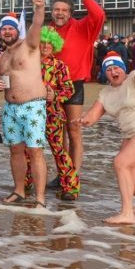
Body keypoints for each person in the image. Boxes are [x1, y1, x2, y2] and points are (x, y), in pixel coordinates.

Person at [78, 52, 135, 224]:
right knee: (131, 180)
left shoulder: (134, 78)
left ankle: (127, 213)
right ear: (104, 73)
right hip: (132, 135)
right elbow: (92, 117)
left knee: (121, 162)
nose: (114, 71)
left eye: (117, 67)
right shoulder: (105, 93)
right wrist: (82, 120)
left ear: (123, 69)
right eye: (109, 69)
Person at [0, 0, 49, 207]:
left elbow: (37, 24)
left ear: (17, 29)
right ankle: (19, 191)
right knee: (15, 150)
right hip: (10, 108)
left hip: (32, 106)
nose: (7, 31)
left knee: (35, 151)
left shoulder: (30, 45)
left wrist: (40, 8)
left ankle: (40, 198)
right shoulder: (2, 57)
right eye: (3, 29)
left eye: (10, 28)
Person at [50, 0, 106, 183]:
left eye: (64, 10)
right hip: (51, 88)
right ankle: (62, 173)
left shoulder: (84, 28)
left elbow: (98, 14)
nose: (60, 13)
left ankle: (73, 175)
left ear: (70, 13)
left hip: (74, 85)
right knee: (57, 134)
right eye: (57, 9)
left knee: (73, 131)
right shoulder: (47, 31)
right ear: (52, 11)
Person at [35, 27, 79, 200]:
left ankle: (70, 188)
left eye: (49, 43)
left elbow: (69, 89)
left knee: (59, 151)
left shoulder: (59, 65)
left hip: (52, 113)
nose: (45, 46)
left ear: (54, 45)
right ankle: (28, 184)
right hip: (31, 114)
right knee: (30, 151)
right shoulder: (29, 63)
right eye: (42, 42)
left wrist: (56, 95)